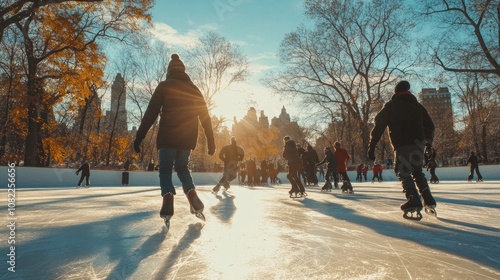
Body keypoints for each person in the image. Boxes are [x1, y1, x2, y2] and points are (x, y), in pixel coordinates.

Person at [133, 53, 215, 226]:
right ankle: (192, 195)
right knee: (182, 168)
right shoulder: (194, 88)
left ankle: (168, 197)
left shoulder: (164, 86)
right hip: (187, 138)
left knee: (165, 170)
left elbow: (150, 114)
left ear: (169, 71)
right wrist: (211, 140)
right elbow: (205, 117)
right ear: (184, 71)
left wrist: (139, 137)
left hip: (167, 137)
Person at [368, 80, 436, 219]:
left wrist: (372, 146)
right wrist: (428, 143)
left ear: (396, 92)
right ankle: (428, 199)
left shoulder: (391, 106)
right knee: (417, 172)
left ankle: (413, 199)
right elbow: (430, 126)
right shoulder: (418, 107)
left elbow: (379, 126)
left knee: (403, 171)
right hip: (419, 144)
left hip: (402, 144)